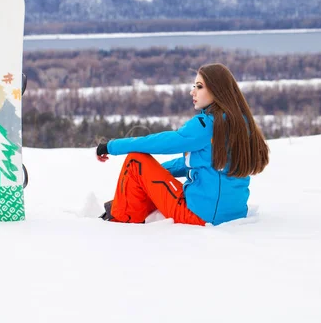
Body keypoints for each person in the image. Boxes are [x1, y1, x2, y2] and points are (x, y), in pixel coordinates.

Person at [95, 63, 269, 226]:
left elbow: (160, 143)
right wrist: (155, 172)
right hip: (233, 214)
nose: (192, 92)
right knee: (145, 174)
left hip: (199, 217)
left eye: (199, 86)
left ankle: (118, 220)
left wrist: (111, 146)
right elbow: (201, 162)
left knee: (135, 162)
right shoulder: (241, 122)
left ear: (217, 90)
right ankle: (126, 206)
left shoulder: (207, 124)